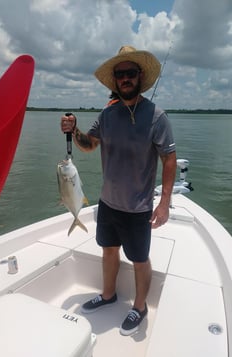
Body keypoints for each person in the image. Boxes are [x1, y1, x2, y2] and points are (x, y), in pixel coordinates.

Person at [60, 45, 176, 336]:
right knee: (108, 250)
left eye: (130, 73)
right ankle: (108, 294)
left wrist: (164, 204)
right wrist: (74, 131)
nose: (125, 78)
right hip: (108, 203)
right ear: (115, 80)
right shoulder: (107, 115)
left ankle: (139, 307)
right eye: (120, 74)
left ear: (139, 77)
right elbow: (89, 145)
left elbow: (169, 159)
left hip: (138, 207)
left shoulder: (156, 116)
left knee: (139, 259)